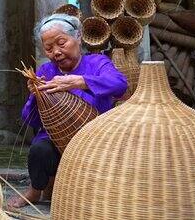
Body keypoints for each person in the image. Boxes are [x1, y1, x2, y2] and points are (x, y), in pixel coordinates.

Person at [8, 13, 127, 208]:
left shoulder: (97, 63)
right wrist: (36, 97)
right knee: (39, 150)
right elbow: (31, 121)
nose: (56, 52)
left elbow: (120, 84)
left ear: (78, 37)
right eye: (48, 48)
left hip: (94, 138)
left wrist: (81, 81)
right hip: (56, 139)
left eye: (61, 43)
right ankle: (35, 190)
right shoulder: (46, 71)